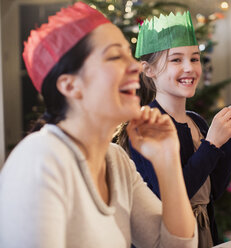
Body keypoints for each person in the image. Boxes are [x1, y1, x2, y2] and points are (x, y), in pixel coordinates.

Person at [0, 2, 197, 247]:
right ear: (70, 86)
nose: (136, 66)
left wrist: (168, 160)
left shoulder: (116, 160)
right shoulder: (40, 161)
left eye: (129, 53)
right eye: (115, 56)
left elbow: (174, 245)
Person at [116, 11, 231, 247]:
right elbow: (170, 198)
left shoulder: (196, 122)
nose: (189, 68)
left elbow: (214, 191)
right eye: (176, 60)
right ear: (149, 70)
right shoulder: (146, 129)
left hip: (205, 236)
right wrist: (212, 144)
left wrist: (227, 140)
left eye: (195, 58)